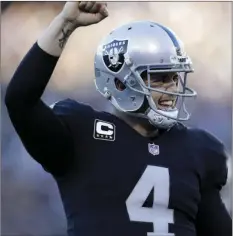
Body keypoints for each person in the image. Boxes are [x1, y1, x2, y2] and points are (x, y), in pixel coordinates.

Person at [5, 2, 232, 236]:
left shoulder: (199, 149)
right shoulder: (82, 134)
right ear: (120, 83)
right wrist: (65, 23)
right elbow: (20, 100)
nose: (172, 89)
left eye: (175, 77)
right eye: (160, 78)